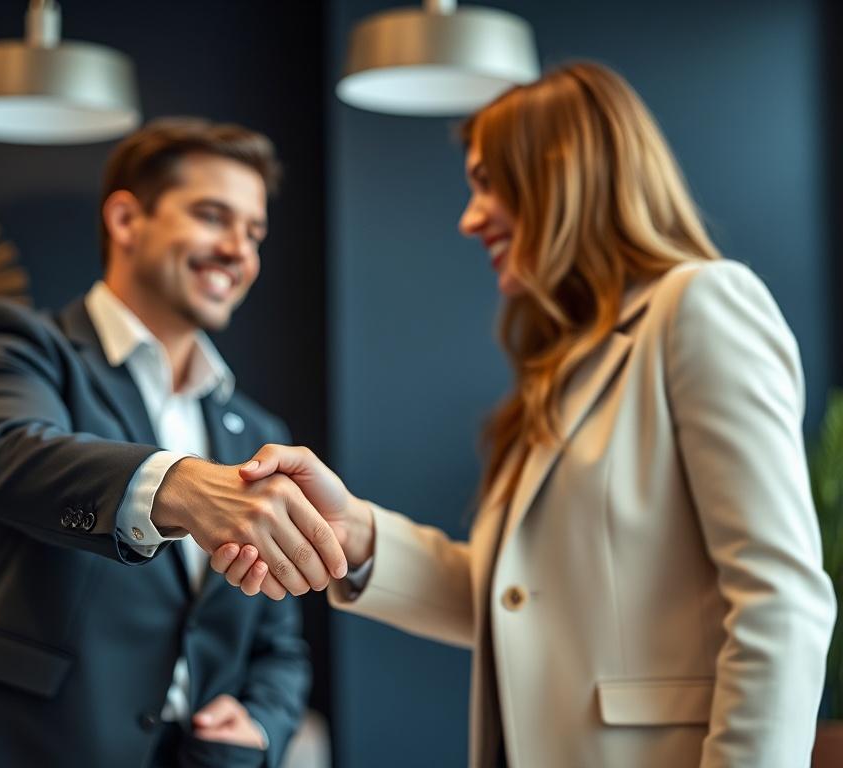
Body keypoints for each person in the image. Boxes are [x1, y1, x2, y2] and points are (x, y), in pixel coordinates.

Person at [210, 62, 838, 767]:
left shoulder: (701, 305)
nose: (469, 218)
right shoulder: (565, 365)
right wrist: (354, 532)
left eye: (485, 182)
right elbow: (518, 595)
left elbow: (779, 600)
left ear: (561, 173)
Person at [0, 117, 347, 768]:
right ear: (126, 219)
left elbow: (279, 643)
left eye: (254, 232)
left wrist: (264, 721)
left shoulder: (257, 435)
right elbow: (11, 458)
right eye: (212, 216)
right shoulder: (22, 345)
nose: (238, 250)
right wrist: (181, 485)